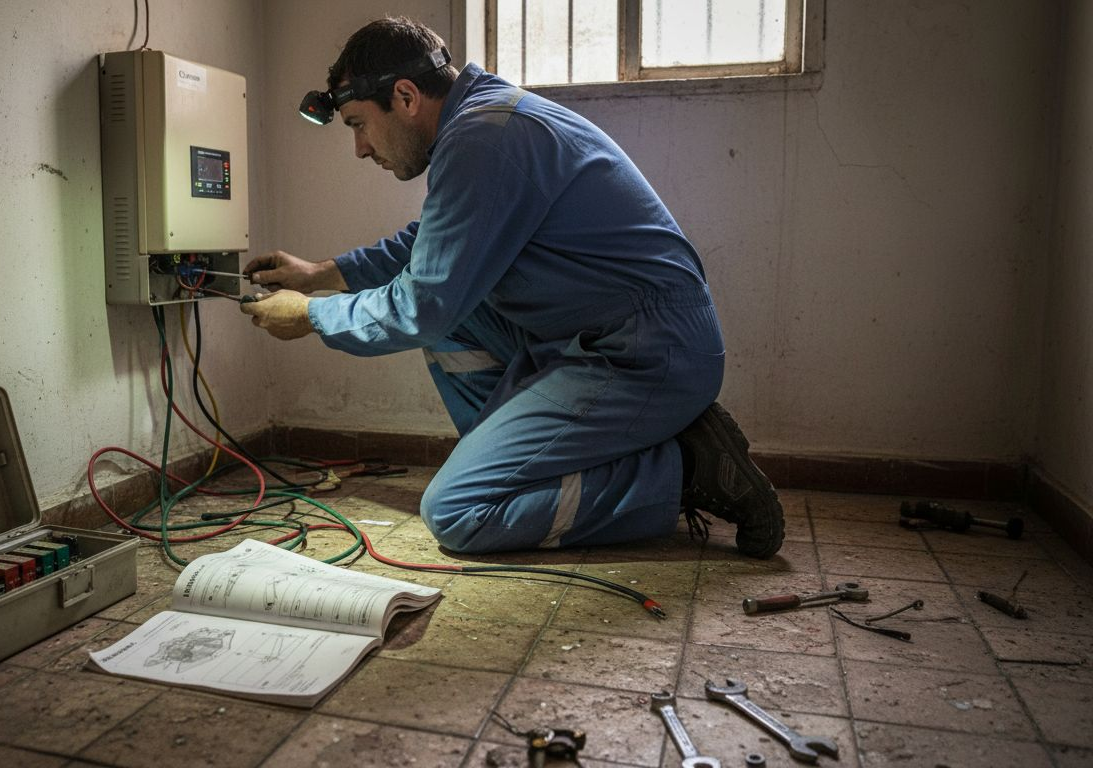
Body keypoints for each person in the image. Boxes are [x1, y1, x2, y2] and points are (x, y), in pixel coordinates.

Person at [240, 17, 784, 558]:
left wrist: (311, 316)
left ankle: (686, 469)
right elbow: (433, 245)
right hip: (606, 337)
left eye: (359, 124)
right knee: (458, 322)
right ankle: (524, 466)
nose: (360, 148)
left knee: (457, 513)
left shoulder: (482, 139)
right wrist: (320, 274)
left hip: (647, 353)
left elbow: (420, 305)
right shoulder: (484, 121)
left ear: (405, 97)